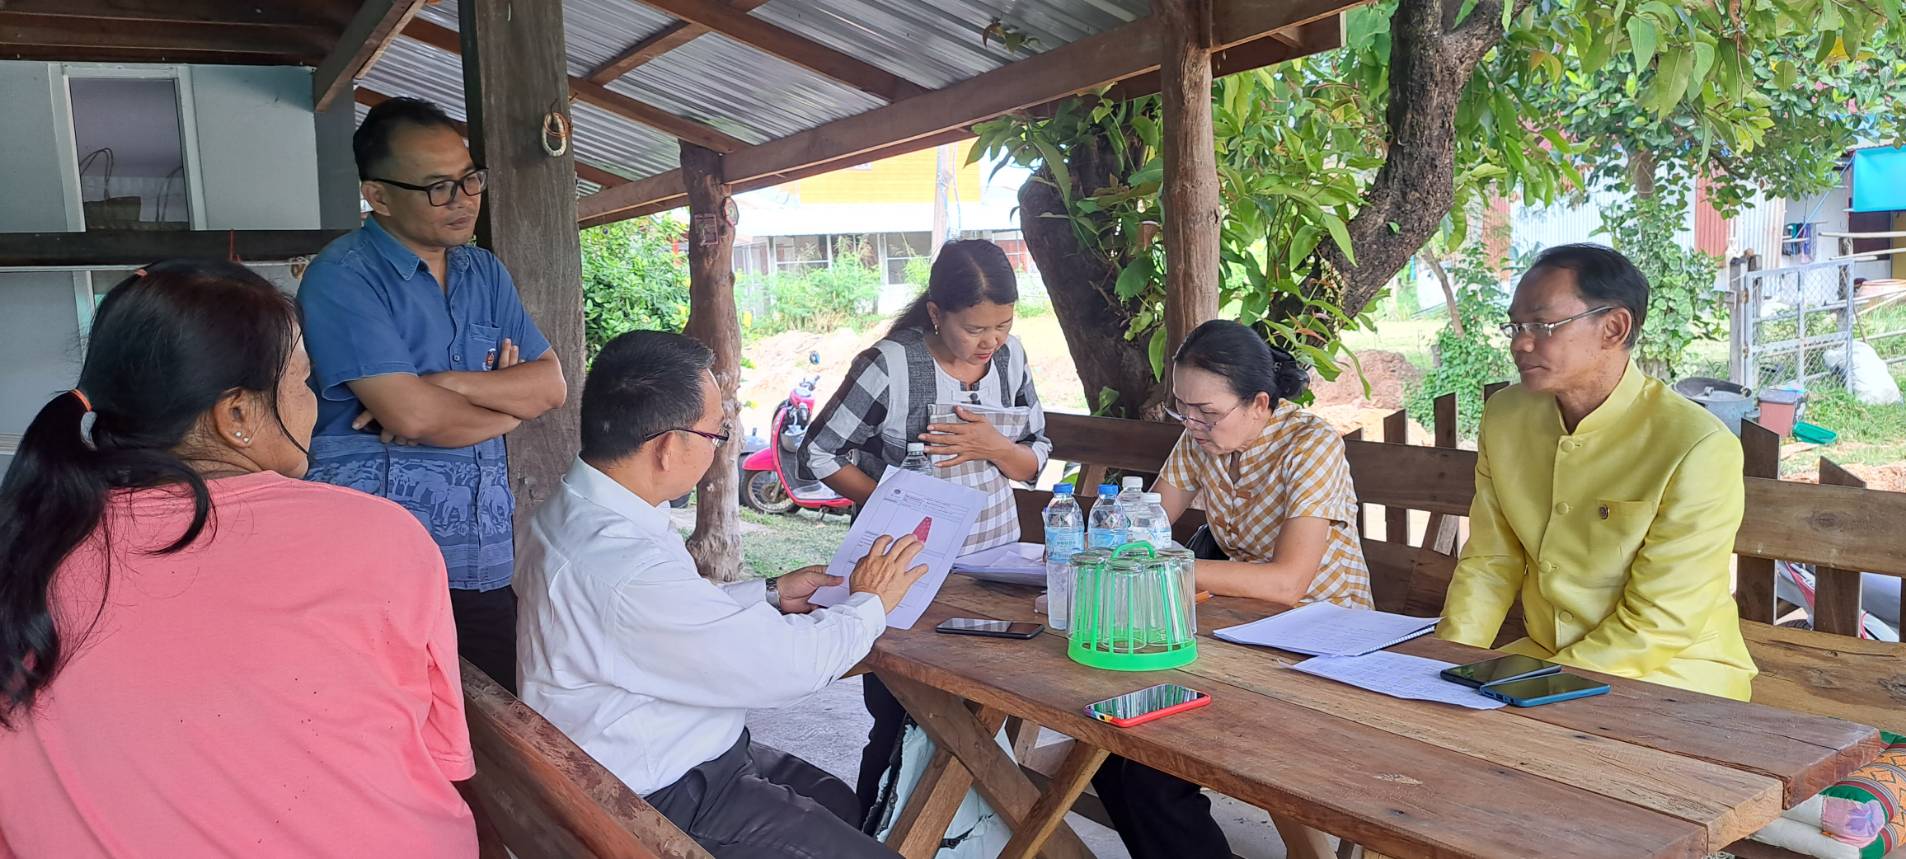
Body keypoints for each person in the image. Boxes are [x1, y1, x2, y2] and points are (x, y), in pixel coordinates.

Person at [0, 261, 475, 857]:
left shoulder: (25, 542)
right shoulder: (377, 537)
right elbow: (443, 756)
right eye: (301, 383)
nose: (311, 405)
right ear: (237, 416)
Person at [516, 330, 928, 859]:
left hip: (667, 751)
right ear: (667, 446)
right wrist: (871, 602)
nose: (720, 445)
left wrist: (769, 594)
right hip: (660, 794)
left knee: (845, 806)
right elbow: (788, 667)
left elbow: (666, 621)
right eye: (716, 433)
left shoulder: (578, 510)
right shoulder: (624, 565)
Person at [299, 96, 566, 693]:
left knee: (500, 730)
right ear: (379, 195)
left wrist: (445, 386)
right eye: (439, 188)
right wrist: (503, 407)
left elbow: (550, 385)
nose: (465, 200)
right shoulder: (344, 275)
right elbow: (411, 415)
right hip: (376, 566)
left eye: (470, 179)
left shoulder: (485, 272)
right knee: (388, 731)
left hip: (482, 555)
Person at [1088, 318, 1371, 859]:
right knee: (1107, 751)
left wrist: (1157, 565)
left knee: (1151, 774)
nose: (1192, 423)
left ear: (1260, 403)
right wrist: (1116, 552)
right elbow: (1143, 522)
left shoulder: (1310, 446)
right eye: (1182, 407)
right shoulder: (1201, 439)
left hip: (1325, 646)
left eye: (1207, 412)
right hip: (1243, 636)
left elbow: (1288, 583)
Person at [796, 238, 1051, 818]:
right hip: (905, 569)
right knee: (898, 716)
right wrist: (894, 501)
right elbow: (817, 453)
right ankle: (874, 834)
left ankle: (970, 838)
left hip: (995, 564)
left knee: (986, 716)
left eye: (1004, 325)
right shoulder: (889, 365)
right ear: (936, 314)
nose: (991, 341)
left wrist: (994, 446)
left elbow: (1035, 458)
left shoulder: (1011, 361)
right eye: (975, 328)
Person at [1438, 243, 1757, 701]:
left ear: (1613, 327)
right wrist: (1446, 660)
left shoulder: (1696, 446)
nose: (1520, 343)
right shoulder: (1506, 415)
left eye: (1542, 325)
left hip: (1675, 674)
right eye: (1516, 325)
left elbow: (1659, 623)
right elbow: (1491, 559)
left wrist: (1531, 683)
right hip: (1544, 656)